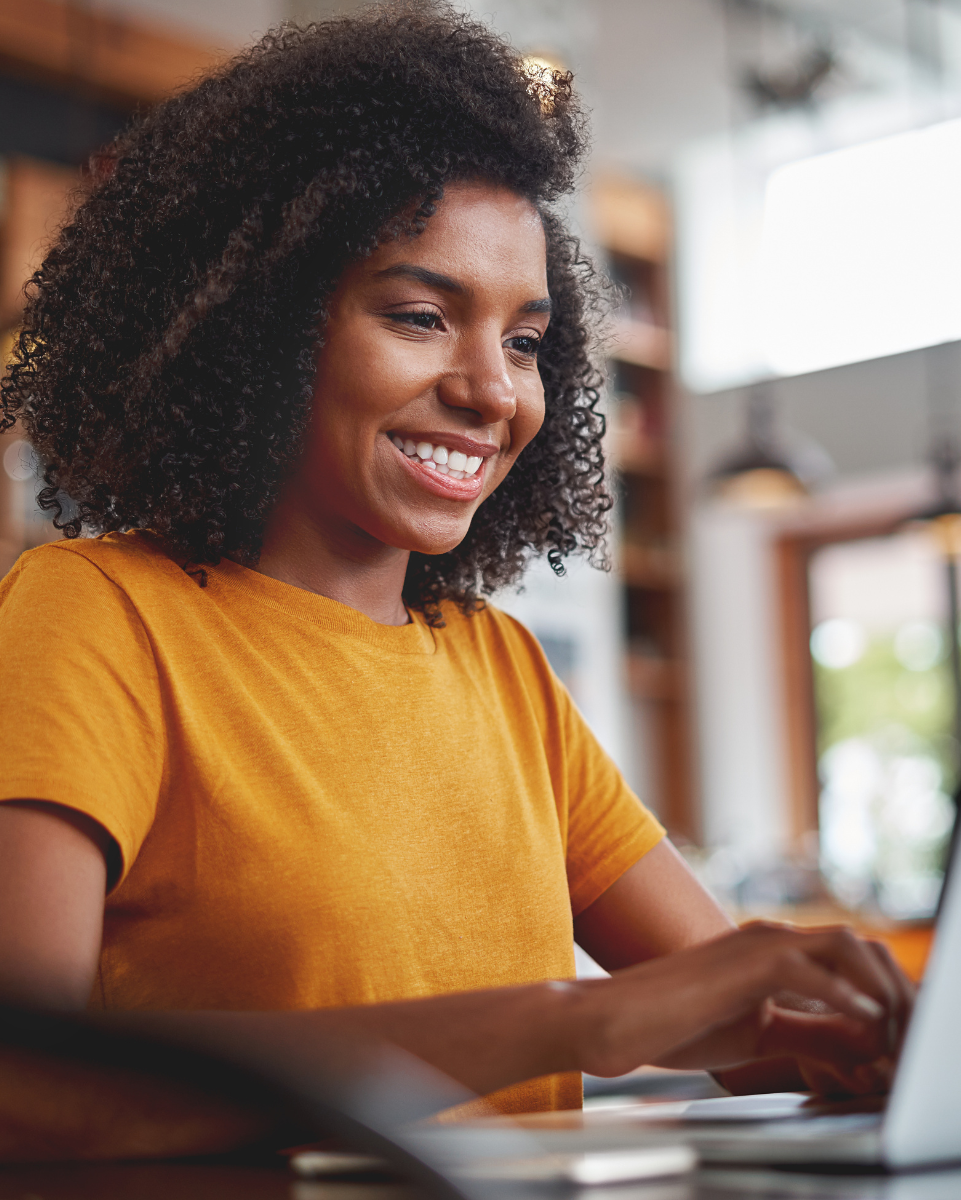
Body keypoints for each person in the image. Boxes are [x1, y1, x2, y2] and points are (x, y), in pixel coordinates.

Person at [0, 0, 912, 1158]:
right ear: (257, 329)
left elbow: (742, 1025)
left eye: (526, 341)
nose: (494, 392)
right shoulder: (99, 615)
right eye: (423, 316)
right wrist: (577, 1019)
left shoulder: (501, 669)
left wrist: (901, 1035)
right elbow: (25, 1087)